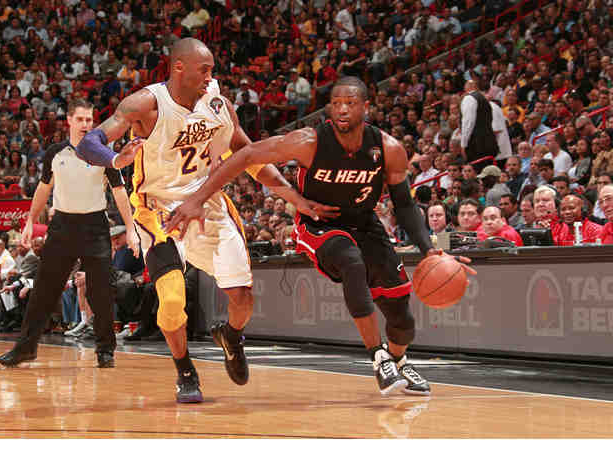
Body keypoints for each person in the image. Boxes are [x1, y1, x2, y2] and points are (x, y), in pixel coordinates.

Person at [167, 76, 476, 396]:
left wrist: (429, 249)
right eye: (336, 103)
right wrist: (198, 199)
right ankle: (378, 356)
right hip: (318, 224)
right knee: (351, 261)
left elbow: (404, 204)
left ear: (366, 107)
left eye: (350, 104)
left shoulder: (388, 148)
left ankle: (398, 360)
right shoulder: (308, 141)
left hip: (365, 224)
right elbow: (246, 156)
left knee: (403, 321)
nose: (342, 109)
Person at [74, 38, 331, 403]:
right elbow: (89, 143)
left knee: (242, 298)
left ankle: (231, 335)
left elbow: (250, 157)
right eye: (204, 70)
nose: (211, 77)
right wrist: (116, 160)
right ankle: (185, 369)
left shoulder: (218, 105)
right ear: (179, 68)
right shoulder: (146, 104)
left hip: (207, 205)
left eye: (212, 70)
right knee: (171, 301)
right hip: (158, 209)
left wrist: (295, 198)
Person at [0, 99, 142, 370]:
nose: (86, 124)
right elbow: (43, 188)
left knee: (100, 292)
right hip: (62, 226)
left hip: (95, 226)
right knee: (43, 291)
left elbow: (120, 192)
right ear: (69, 121)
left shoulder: (104, 153)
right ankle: (25, 348)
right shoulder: (55, 152)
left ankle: (105, 351)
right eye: (81, 119)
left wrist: (131, 229)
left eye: (89, 120)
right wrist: (30, 221)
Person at [460, 80, 499, 172]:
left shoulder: (469, 98)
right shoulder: (484, 100)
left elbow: (468, 123)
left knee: (477, 172)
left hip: (476, 145)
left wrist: (463, 144)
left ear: (467, 86)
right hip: (489, 142)